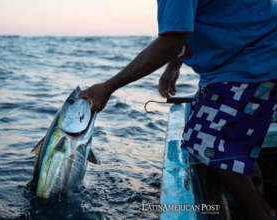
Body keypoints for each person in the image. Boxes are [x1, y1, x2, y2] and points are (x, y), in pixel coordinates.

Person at [78, 0, 277, 219]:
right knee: (197, 132)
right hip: (230, 64)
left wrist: (107, 87)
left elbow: (172, 41)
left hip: (256, 58)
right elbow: (189, 22)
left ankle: (262, 214)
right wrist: (174, 64)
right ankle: (226, 202)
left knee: (205, 140)